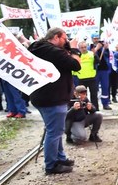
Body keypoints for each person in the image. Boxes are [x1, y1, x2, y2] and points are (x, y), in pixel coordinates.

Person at [28, 27, 82, 175]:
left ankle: (60, 158)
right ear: (56, 37)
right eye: (65, 38)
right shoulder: (52, 51)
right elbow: (76, 65)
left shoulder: (37, 47)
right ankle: (51, 165)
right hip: (52, 98)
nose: (66, 42)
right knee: (54, 132)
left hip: (43, 96)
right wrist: (75, 49)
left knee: (55, 130)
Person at [74, 41, 100, 111]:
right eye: (82, 47)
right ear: (79, 48)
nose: (84, 49)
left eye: (85, 47)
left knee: (94, 95)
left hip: (91, 78)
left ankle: (95, 109)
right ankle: (83, 110)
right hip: (81, 78)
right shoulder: (77, 56)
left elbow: (98, 61)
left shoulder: (91, 54)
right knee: (82, 96)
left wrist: (95, 54)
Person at [94, 40, 112, 110]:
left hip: (104, 70)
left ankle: (105, 103)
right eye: (94, 39)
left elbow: (107, 56)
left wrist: (105, 48)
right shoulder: (91, 47)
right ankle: (95, 104)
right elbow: (91, 54)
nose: (96, 40)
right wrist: (96, 48)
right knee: (95, 88)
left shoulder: (104, 49)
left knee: (105, 87)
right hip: (96, 71)